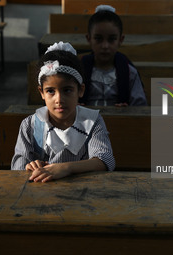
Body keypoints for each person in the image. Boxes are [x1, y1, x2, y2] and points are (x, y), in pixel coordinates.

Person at [11, 41, 115, 182]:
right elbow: (17, 167)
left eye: (67, 90)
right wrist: (29, 166)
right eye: (50, 91)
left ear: (81, 90)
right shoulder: (30, 125)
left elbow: (105, 160)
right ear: (41, 92)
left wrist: (65, 168)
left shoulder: (91, 121)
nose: (59, 99)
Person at [81, 5, 147, 106]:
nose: (105, 46)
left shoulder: (130, 72)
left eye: (111, 39)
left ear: (120, 40)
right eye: (98, 39)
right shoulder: (79, 71)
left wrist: (128, 110)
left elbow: (140, 107)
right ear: (89, 39)